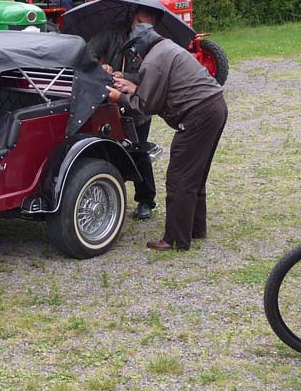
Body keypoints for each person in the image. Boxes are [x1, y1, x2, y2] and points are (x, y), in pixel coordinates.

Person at [107, 12, 227, 251]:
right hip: (215, 107)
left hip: (197, 115)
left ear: (140, 46)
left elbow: (145, 106)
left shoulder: (152, 60)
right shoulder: (167, 48)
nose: (135, 56)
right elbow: (160, 89)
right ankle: (195, 228)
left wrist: (118, 96)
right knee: (195, 175)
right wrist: (134, 87)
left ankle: (174, 239)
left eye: (134, 52)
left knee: (179, 177)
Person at [87, 16, 157, 220]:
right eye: (138, 19)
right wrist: (102, 67)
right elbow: (88, 53)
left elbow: (149, 77)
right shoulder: (112, 32)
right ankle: (105, 194)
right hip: (108, 101)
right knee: (102, 148)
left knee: (138, 150)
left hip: (138, 105)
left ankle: (146, 199)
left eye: (146, 20)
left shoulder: (153, 41)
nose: (140, 24)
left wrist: (124, 76)